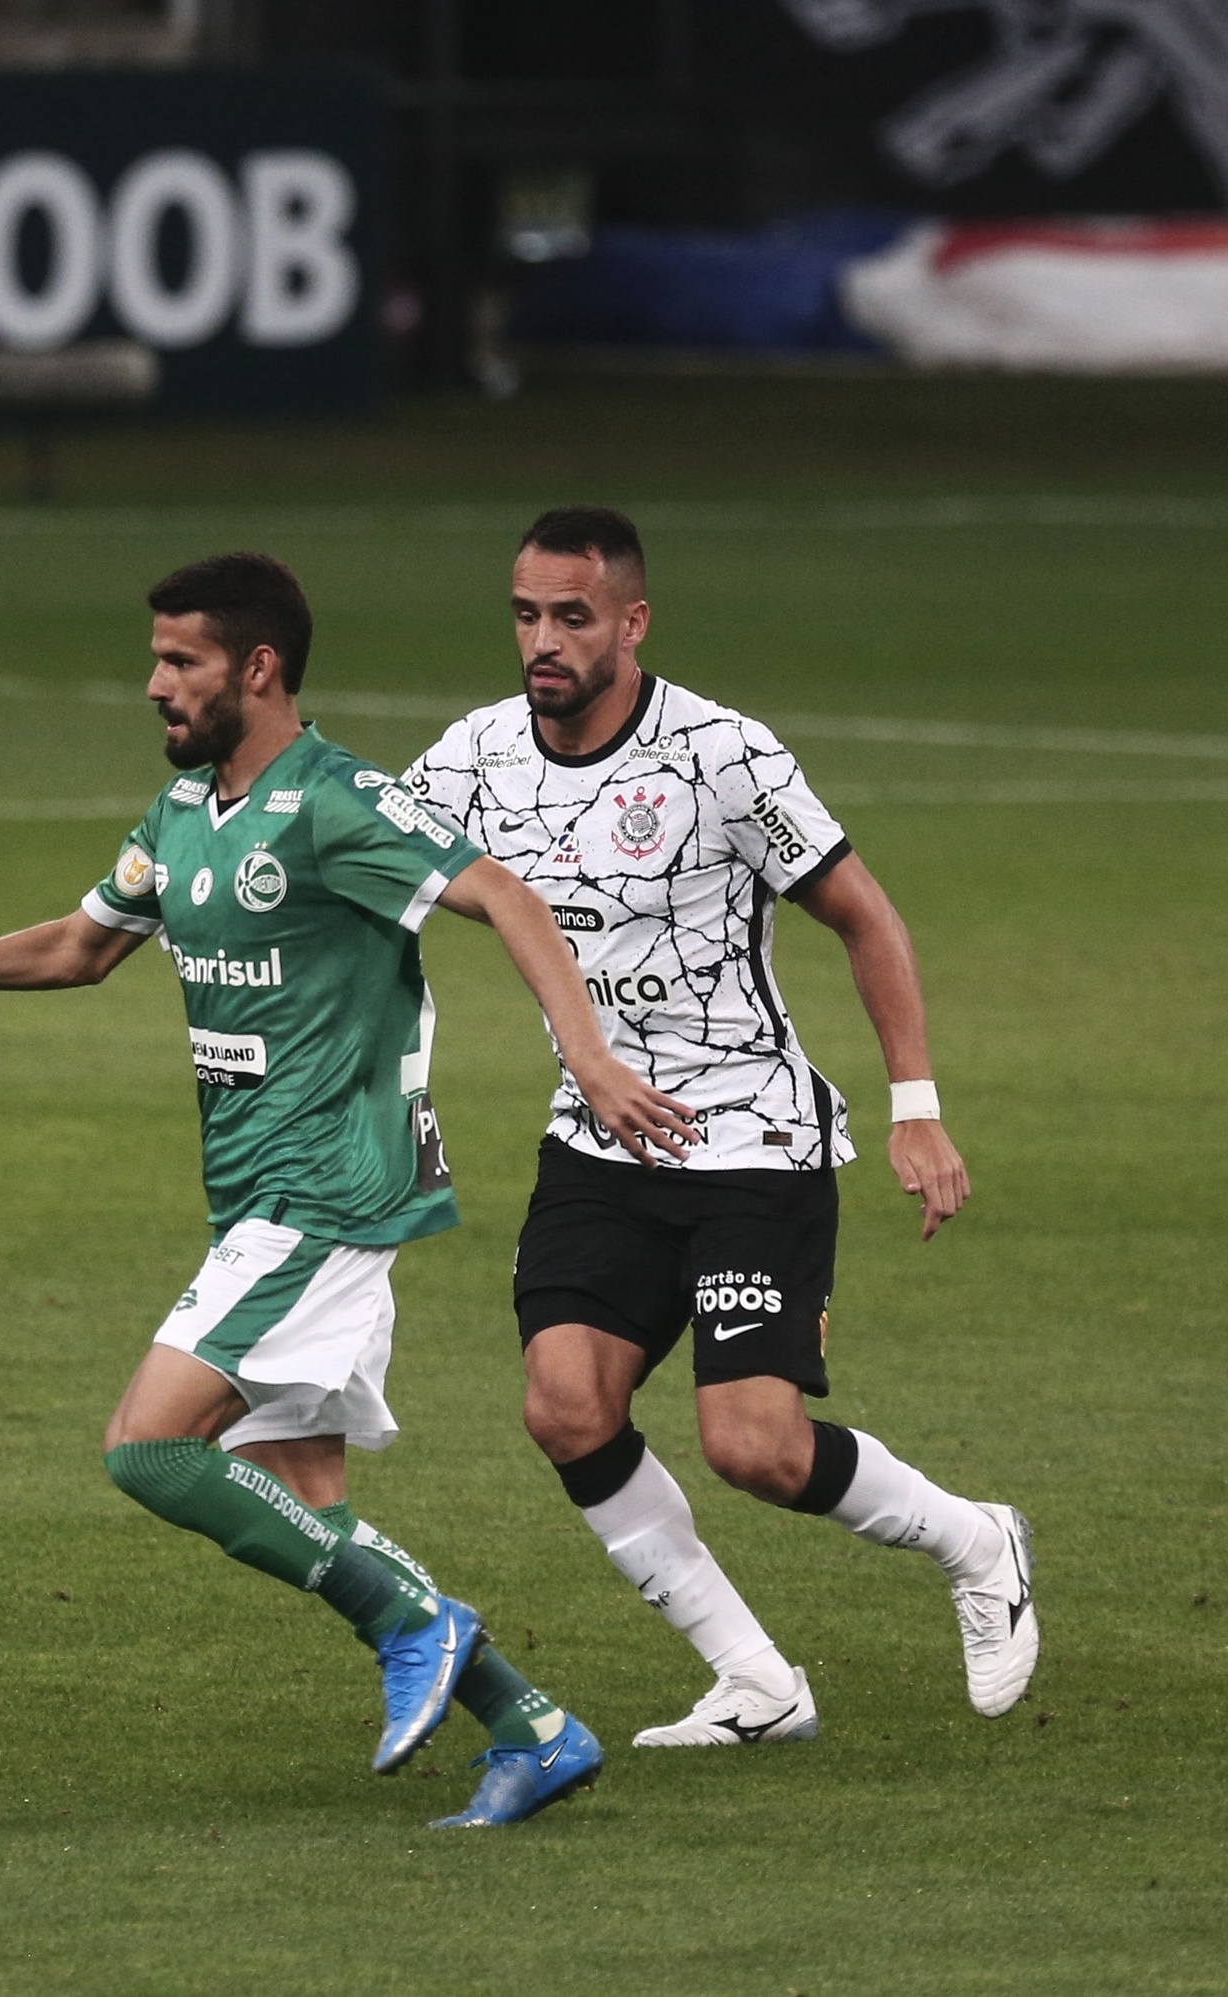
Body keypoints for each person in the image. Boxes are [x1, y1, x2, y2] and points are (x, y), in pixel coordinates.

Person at [0, 550, 697, 1825]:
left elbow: (498, 889)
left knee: (150, 1446)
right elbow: (77, 946)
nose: (155, 685)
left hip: (327, 1187)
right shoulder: (180, 817)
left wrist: (592, 1056)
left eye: (181, 662)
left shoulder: (335, 801)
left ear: (258, 668)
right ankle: (532, 1723)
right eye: (157, 660)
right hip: (256, 1194)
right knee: (309, 1514)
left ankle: (428, 1625)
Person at [402, 506, 1039, 1748]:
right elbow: (371, 866)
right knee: (564, 1403)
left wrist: (918, 1110)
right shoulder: (476, 756)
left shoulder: (721, 755)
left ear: (631, 622)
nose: (544, 639)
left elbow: (867, 918)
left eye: (573, 617)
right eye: (527, 614)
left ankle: (978, 1538)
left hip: (750, 1138)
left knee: (753, 1444)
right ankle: (756, 1676)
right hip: (599, 1142)